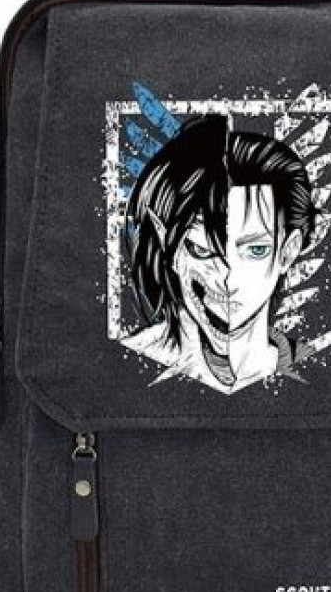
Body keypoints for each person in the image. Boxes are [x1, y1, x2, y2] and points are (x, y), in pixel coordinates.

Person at [122, 114, 317, 393]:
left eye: (255, 250)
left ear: (287, 252)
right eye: (201, 250)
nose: (227, 280)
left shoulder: (319, 369)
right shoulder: (127, 362)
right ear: (168, 246)